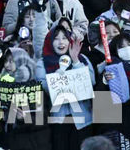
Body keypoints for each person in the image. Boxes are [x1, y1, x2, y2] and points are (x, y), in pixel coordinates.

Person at [35, 22, 95, 150]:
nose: (61, 42)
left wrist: (75, 61)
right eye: (56, 38)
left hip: (83, 120)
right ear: (50, 42)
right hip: (58, 120)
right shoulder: (42, 63)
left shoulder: (82, 58)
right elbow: (44, 87)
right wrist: (60, 72)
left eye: (64, 38)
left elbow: (91, 81)